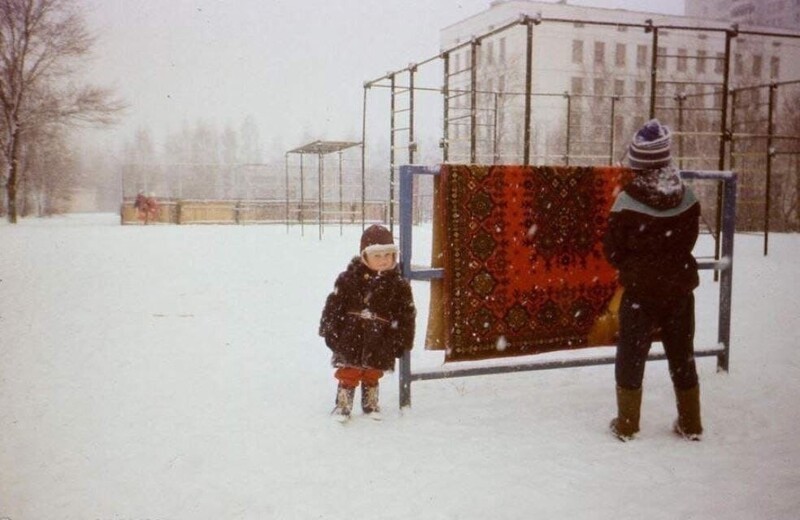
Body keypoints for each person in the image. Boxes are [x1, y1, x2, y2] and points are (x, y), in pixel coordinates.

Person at [603, 119, 703, 441]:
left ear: (637, 163)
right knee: (681, 353)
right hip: (679, 289)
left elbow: (612, 249)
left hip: (639, 293)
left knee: (631, 355)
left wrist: (633, 267)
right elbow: (688, 240)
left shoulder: (626, 202)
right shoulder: (687, 197)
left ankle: (627, 424)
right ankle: (691, 422)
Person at [319, 224, 416, 422]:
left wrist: (402, 339)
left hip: (381, 337)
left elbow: (406, 314)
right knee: (349, 370)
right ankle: (343, 404)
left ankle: (370, 402)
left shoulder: (398, 285)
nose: (383, 261)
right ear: (365, 256)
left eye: (388, 255)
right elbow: (334, 305)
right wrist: (331, 331)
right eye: (377, 256)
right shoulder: (348, 279)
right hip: (351, 335)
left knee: (373, 371)